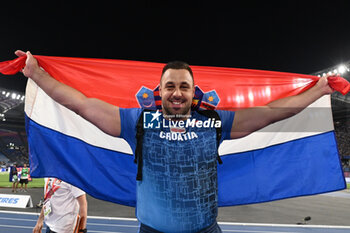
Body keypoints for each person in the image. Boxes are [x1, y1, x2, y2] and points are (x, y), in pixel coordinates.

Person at [16, 50, 334, 233]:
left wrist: (318, 91)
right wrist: (37, 74)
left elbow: (268, 113)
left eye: (184, 86)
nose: (177, 92)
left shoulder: (213, 122)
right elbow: (81, 104)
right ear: (161, 91)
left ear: (193, 92)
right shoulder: (137, 122)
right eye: (170, 86)